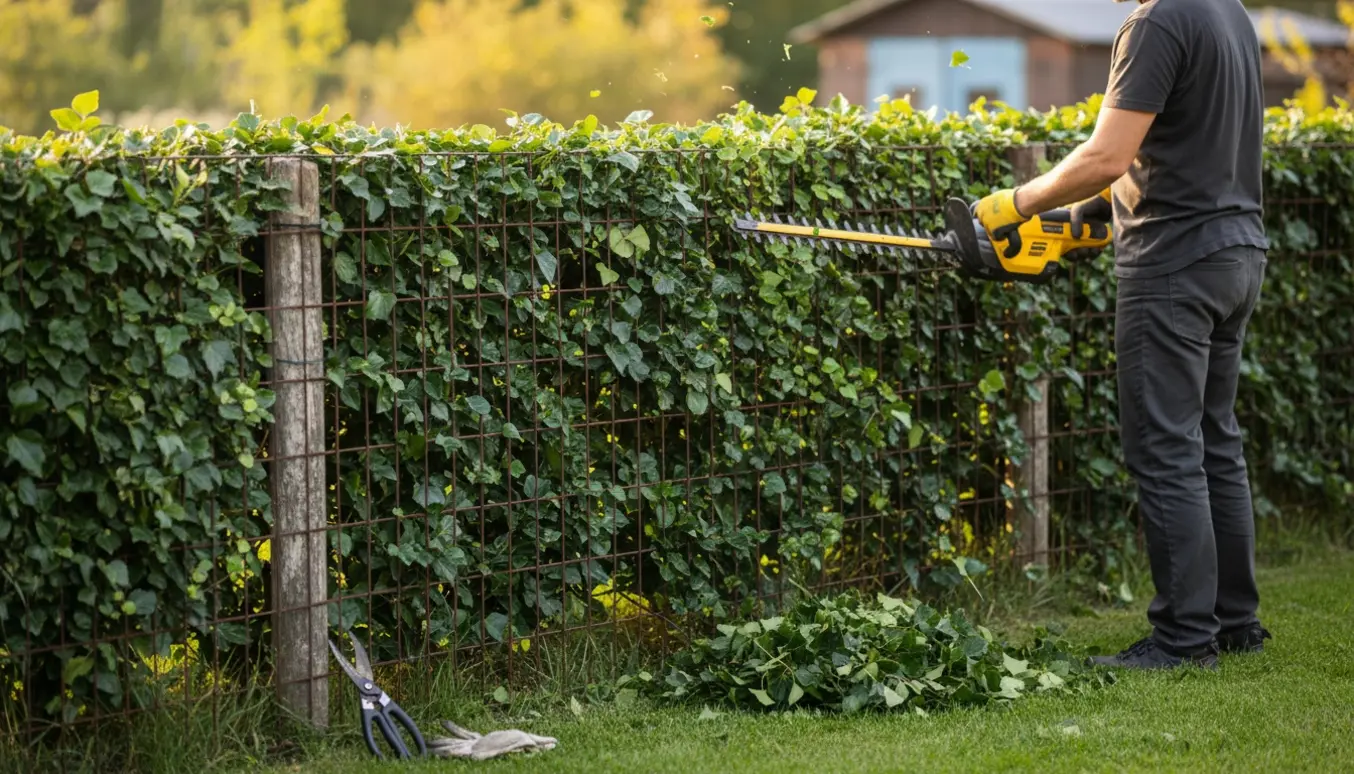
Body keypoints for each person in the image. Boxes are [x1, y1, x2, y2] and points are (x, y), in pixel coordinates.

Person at [973, 0, 1272, 670]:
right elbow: (1182, 150)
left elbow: (1109, 155)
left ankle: (1183, 641)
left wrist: (1011, 206)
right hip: (1236, 254)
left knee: (1167, 449)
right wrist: (1078, 222)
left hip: (1174, 265)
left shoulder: (1157, 21)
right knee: (1214, 439)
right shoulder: (1229, 13)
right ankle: (1235, 623)